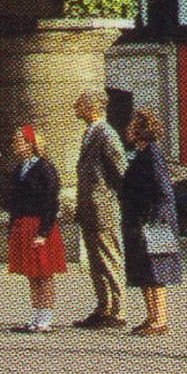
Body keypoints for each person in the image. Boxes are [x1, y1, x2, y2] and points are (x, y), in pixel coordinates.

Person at [119, 110, 180, 337]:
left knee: (156, 271)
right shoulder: (141, 153)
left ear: (140, 130)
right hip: (143, 221)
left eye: (132, 126)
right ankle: (152, 316)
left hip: (155, 223)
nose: (128, 131)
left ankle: (159, 319)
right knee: (145, 270)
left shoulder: (152, 155)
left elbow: (163, 192)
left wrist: (152, 222)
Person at [72, 90, 129, 329]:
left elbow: (120, 171)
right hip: (90, 208)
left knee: (109, 258)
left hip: (104, 207)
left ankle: (118, 309)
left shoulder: (106, 134)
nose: (75, 108)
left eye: (79, 104)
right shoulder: (90, 132)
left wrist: (119, 201)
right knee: (95, 261)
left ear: (92, 107)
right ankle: (103, 306)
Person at [4, 126, 68, 334]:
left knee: (45, 273)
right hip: (22, 224)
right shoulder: (18, 169)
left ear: (30, 144)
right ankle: (36, 315)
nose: (15, 145)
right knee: (32, 274)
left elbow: (51, 201)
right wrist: (12, 227)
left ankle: (46, 318)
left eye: (18, 141)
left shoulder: (44, 168)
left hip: (40, 224)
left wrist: (44, 232)